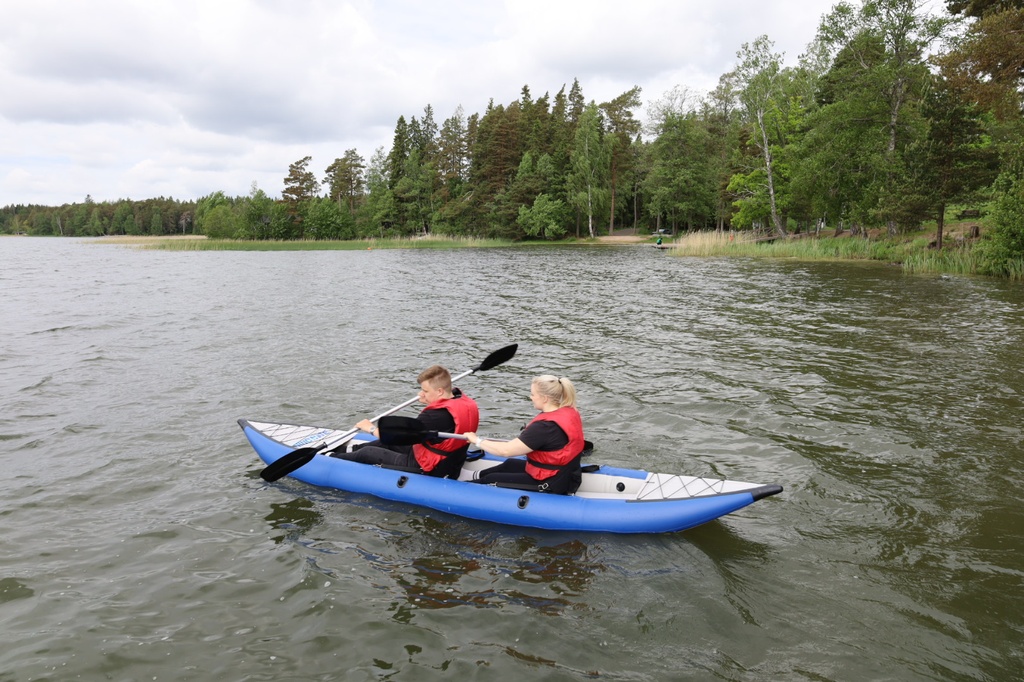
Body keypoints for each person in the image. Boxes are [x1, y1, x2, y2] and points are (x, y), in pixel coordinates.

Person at [335, 365, 479, 478]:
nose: (420, 394)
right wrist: (429, 399)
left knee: (367, 452)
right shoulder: (463, 401)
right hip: (449, 458)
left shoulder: (434, 416)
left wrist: (371, 429)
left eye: (425, 391)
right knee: (382, 444)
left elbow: (398, 437)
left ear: (440, 391)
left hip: (430, 466)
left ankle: (331, 458)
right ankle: (346, 450)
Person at [463, 375, 584, 495]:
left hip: (552, 482)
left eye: (533, 394)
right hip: (563, 473)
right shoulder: (568, 411)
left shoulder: (544, 427)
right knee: (510, 465)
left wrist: (476, 440)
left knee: (490, 479)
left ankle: (462, 488)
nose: (531, 397)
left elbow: (505, 451)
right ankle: (469, 476)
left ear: (545, 398)